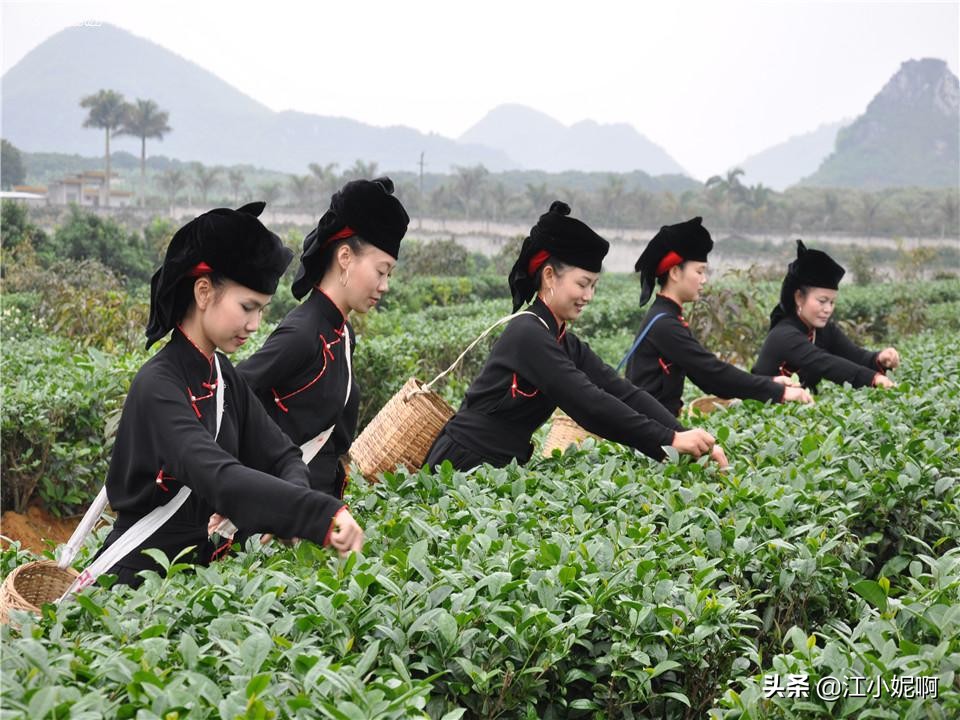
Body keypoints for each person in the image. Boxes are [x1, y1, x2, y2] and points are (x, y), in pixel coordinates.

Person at [94, 203, 363, 588]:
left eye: (262, 310)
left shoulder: (223, 376)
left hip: (188, 582)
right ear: (203, 292)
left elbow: (282, 454)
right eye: (247, 307)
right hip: (134, 584)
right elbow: (220, 477)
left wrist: (288, 506)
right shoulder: (159, 386)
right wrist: (318, 514)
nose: (254, 325)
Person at [425, 201, 727, 471]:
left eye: (594, 285)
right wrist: (669, 440)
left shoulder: (562, 340)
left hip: (499, 466)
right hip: (462, 463)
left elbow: (621, 391)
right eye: (582, 284)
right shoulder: (527, 333)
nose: (588, 296)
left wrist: (685, 435)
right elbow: (588, 402)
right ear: (549, 276)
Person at [237, 178, 409, 497]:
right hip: (279, 514)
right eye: (381, 271)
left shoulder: (344, 334)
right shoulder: (303, 331)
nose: (384, 285)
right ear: (345, 257)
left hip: (318, 511)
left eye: (389, 275)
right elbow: (231, 392)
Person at [625, 217, 812, 416]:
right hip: (651, 430)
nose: (704, 280)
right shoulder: (664, 324)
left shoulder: (666, 316)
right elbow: (713, 374)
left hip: (658, 426)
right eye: (699, 271)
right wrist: (779, 392)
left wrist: (771, 382)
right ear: (674, 272)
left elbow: (707, 377)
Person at [752, 239, 899, 391]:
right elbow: (825, 363)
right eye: (822, 301)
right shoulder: (785, 334)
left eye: (832, 302)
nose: (828, 309)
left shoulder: (823, 330)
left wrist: (880, 358)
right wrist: (873, 379)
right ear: (799, 298)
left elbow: (856, 356)